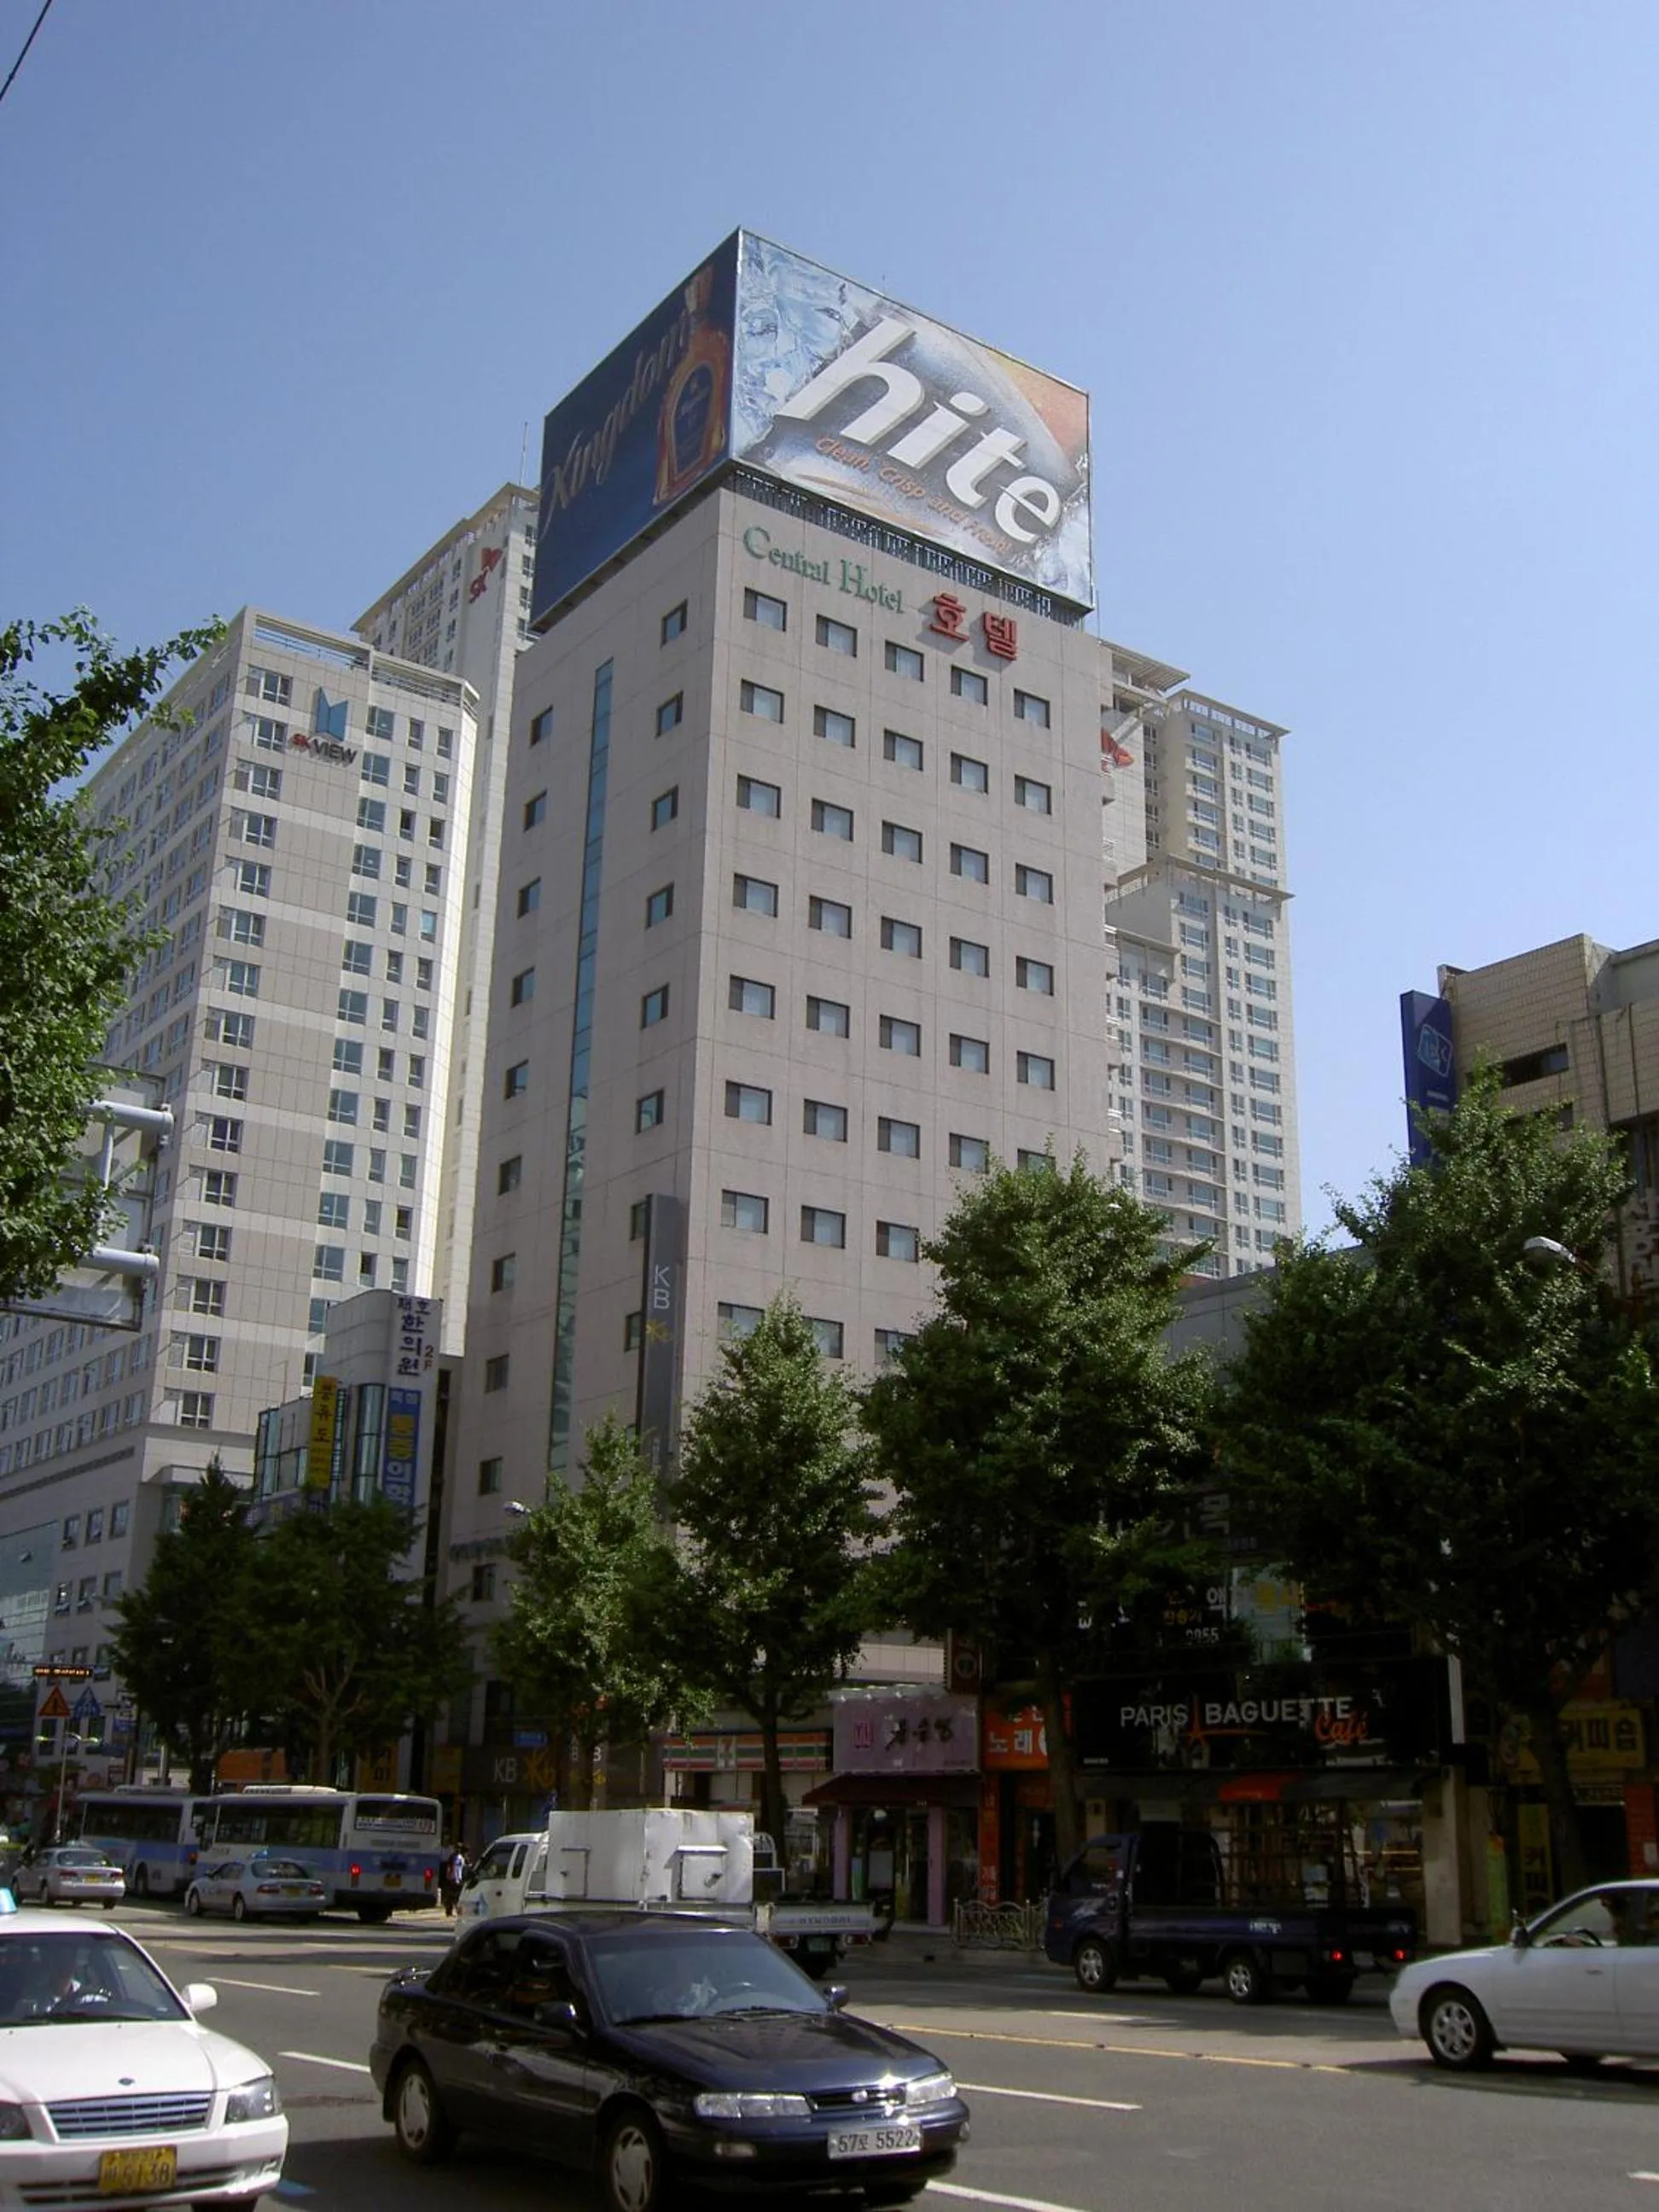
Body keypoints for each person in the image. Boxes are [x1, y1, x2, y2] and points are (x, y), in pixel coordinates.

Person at [441, 1844, 467, 1916]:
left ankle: (458, 1912)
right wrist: (449, 1877)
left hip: (459, 1879)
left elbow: (463, 1868)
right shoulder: (452, 1857)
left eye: (459, 1848)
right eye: (457, 1848)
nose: (458, 1850)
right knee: (450, 1897)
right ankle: (449, 1911)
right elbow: (449, 1868)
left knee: (458, 1897)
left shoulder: (461, 1858)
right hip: (452, 1879)